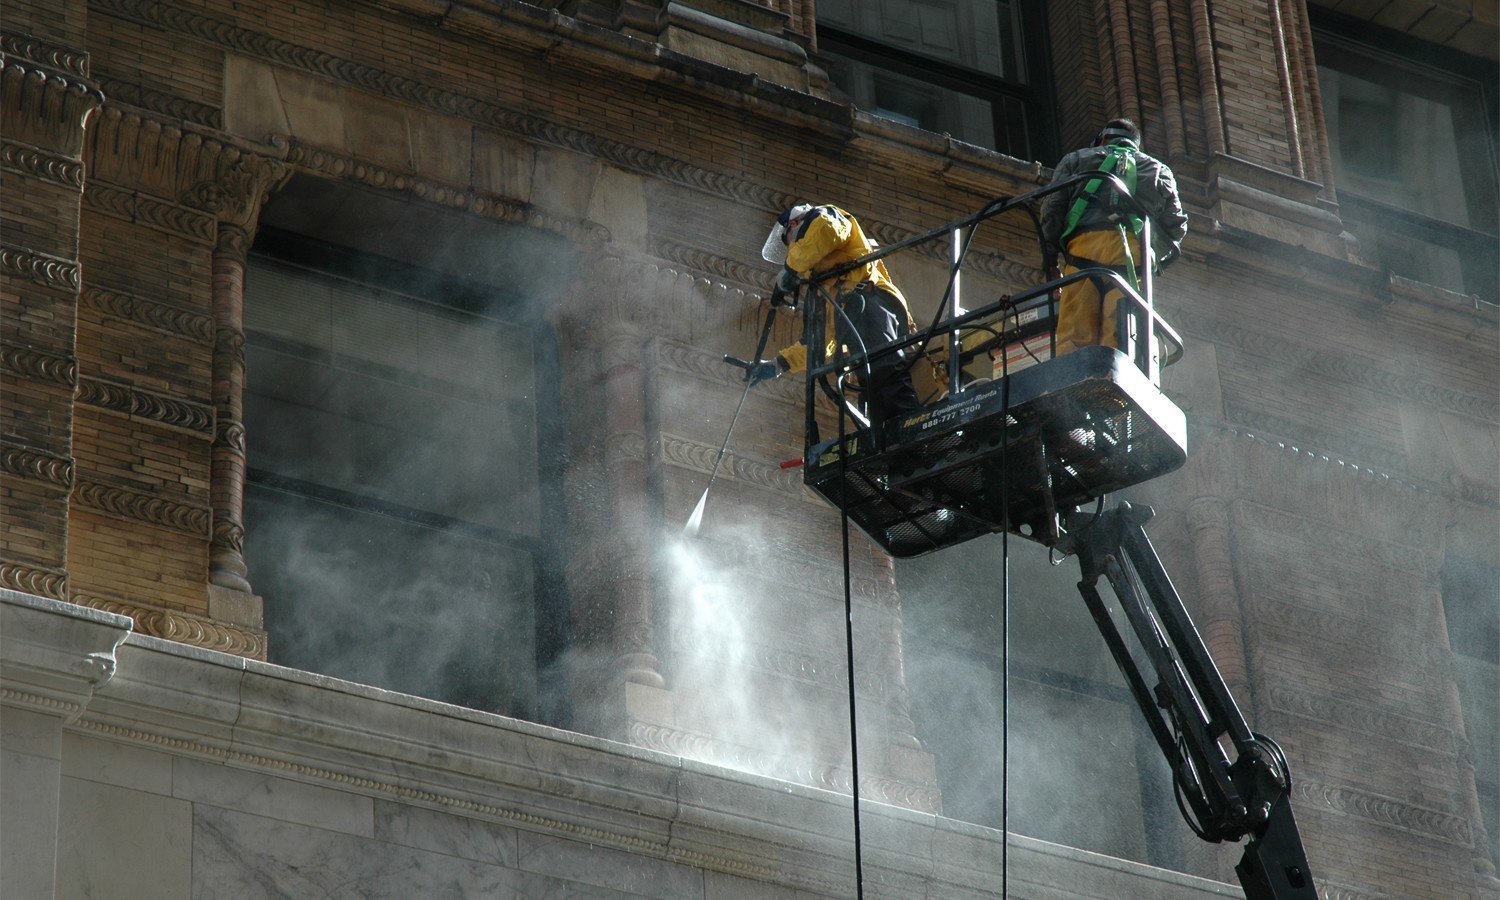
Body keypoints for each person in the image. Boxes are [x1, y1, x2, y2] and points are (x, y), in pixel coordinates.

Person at [745, 203, 920, 428]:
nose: (791, 248)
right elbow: (820, 341)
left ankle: (912, 425)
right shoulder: (822, 288)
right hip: (853, 320)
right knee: (871, 388)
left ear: (795, 224)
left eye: (789, 240)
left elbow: (825, 232)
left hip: (872, 304)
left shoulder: (825, 215)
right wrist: (779, 364)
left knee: (887, 370)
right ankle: (889, 438)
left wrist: (789, 270)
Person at [1040, 118, 1188, 356]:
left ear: (1103, 139)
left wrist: (1049, 262)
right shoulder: (1160, 171)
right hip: (1132, 258)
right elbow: (1177, 227)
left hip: (1083, 251)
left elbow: (1052, 211)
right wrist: (1152, 260)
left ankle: (1075, 388)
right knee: (1121, 339)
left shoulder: (1076, 159)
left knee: (1074, 336)